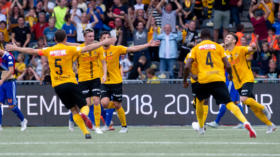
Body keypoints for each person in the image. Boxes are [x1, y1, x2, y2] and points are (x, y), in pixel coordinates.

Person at [6, 29, 116, 139]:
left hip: (58, 86)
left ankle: (86, 133)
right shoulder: (70, 49)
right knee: (84, 106)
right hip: (70, 82)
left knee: (73, 110)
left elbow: (32, 51)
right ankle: (84, 115)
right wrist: (102, 43)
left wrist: (16, 48)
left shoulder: (49, 50)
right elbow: (87, 48)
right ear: (66, 39)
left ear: (54, 39)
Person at [184, 29, 257, 138]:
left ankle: (201, 126)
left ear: (201, 38)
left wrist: (185, 79)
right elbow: (227, 65)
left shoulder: (196, 48)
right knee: (229, 103)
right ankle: (245, 122)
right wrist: (230, 75)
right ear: (211, 36)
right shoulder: (217, 47)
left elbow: (186, 65)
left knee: (200, 102)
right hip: (218, 78)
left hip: (203, 79)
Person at [95, 31, 160, 133]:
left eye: (108, 37)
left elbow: (133, 48)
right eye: (104, 38)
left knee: (117, 105)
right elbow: (84, 49)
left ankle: (124, 126)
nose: (106, 39)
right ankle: (113, 115)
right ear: (100, 40)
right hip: (104, 82)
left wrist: (147, 44)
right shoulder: (97, 50)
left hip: (116, 82)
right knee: (104, 103)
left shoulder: (117, 49)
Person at [223, 33, 276, 134]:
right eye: (226, 37)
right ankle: (270, 125)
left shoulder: (240, 49)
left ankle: (263, 107)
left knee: (243, 99)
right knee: (253, 108)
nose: (226, 38)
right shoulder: (225, 53)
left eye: (229, 37)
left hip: (247, 79)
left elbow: (251, 49)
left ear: (234, 41)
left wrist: (253, 47)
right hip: (237, 83)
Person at [68, 28, 107, 134]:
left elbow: (103, 62)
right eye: (89, 36)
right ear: (84, 37)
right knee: (86, 104)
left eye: (93, 36)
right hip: (83, 79)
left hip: (95, 78)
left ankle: (97, 126)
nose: (92, 38)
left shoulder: (98, 47)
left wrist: (104, 74)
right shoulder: (80, 49)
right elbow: (71, 62)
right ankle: (72, 119)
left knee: (96, 101)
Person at [0, 49, 27, 131]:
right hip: (2, 83)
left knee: (12, 106)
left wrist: (2, 80)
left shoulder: (9, 56)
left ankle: (23, 120)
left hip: (9, 83)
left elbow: (11, 71)